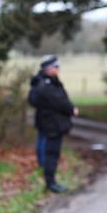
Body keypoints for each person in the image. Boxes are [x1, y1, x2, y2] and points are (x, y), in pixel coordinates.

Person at [28, 55, 78, 193]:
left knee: (50, 152)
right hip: (52, 125)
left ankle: (50, 180)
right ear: (48, 68)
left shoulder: (43, 82)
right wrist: (71, 108)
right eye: (55, 67)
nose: (57, 70)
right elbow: (59, 101)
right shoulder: (46, 85)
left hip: (50, 123)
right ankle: (51, 183)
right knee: (51, 154)